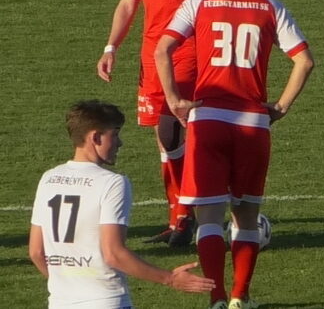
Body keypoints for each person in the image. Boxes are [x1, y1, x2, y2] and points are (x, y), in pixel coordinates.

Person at [155, 0, 314, 309]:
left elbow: (162, 49)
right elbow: (304, 61)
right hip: (252, 123)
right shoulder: (271, 7)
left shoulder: (198, 3)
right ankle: (240, 298)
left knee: (208, 218)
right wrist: (282, 106)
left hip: (208, 120)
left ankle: (216, 298)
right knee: (245, 217)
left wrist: (176, 101)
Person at [96, 0, 221, 246]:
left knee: (174, 131)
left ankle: (190, 215)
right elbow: (127, 4)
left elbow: (213, 7)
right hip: (151, 58)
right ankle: (180, 218)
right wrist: (111, 47)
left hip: (186, 56)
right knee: (163, 140)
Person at [29, 100, 215, 308]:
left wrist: (67, 287)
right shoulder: (111, 183)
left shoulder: (49, 179)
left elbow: (36, 252)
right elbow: (114, 253)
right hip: (105, 301)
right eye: (114, 134)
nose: (120, 143)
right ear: (95, 137)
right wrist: (170, 278)